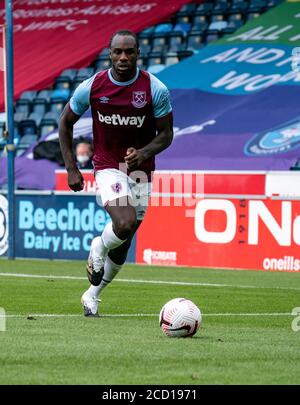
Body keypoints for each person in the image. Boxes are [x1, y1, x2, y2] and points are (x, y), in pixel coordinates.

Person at [59, 29, 173, 317]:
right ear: (109, 54)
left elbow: (167, 134)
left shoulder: (154, 88)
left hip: (141, 171)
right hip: (108, 165)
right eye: (118, 52)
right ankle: (97, 246)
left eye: (129, 52)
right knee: (123, 223)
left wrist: (144, 153)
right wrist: (72, 167)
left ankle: (92, 295)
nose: (123, 57)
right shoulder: (93, 86)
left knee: (124, 242)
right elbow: (65, 122)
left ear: (138, 54)